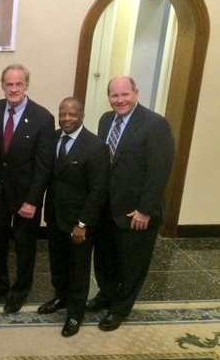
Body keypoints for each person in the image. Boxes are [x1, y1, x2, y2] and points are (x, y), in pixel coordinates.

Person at [87, 76, 175, 331]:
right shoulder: (106, 120)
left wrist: (145, 210)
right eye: (114, 95)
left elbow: (159, 171)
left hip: (136, 210)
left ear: (136, 93)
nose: (119, 100)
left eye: (124, 94)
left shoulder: (155, 124)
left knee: (131, 263)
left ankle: (120, 308)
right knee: (105, 258)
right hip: (108, 207)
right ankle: (106, 295)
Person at [0, 64, 55, 313]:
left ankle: (20, 290)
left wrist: (32, 200)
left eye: (19, 84)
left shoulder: (43, 117)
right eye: (9, 84)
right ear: (2, 85)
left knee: (25, 246)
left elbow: (44, 165)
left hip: (26, 196)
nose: (14, 89)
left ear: (26, 85)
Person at [38, 97, 109, 337]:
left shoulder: (95, 146)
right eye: (63, 114)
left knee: (78, 269)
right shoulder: (53, 138)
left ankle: (75, 314)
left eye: (72, 114)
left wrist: (83, 224)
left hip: (79, 221)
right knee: (57, 264)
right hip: (55, 216)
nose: (66, 118)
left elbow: (98, 190)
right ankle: (61, 297)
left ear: (82, 116)